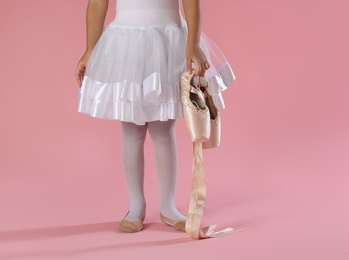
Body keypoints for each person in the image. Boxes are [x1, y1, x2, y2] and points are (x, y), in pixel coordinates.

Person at [75, 0, 235, 233]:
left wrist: (192, 45)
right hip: (127, 44)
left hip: (168, 40)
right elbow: (98, 3)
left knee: (163, 128)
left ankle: (168, 207)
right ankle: (136, 206)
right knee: (131, 128)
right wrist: (91, 50)